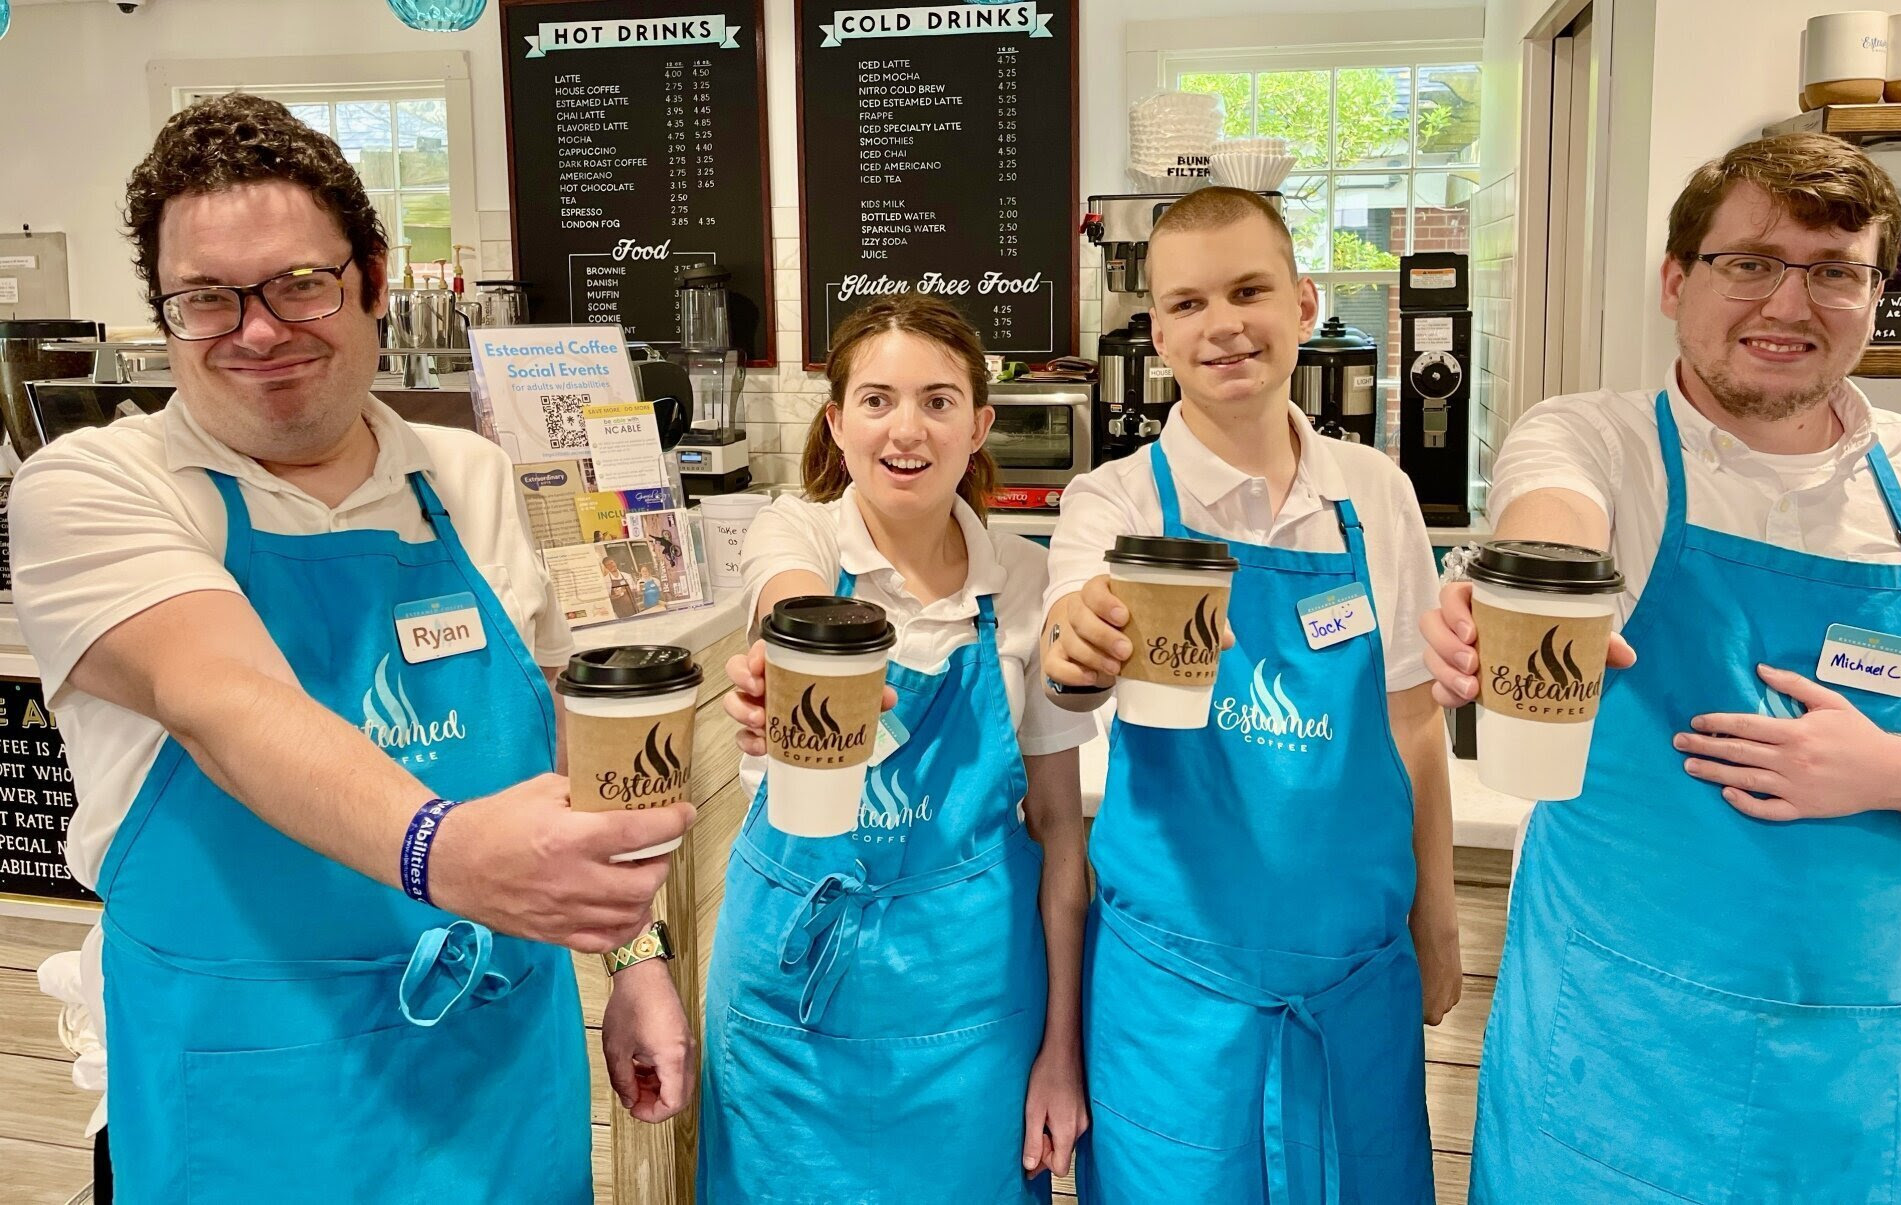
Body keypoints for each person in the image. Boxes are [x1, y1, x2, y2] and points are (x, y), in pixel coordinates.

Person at [10, 94, 695, 1202]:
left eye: (297, 283)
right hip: (252, 1097)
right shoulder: (96, 486)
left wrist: (632, 958)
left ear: (371, 277)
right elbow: (223, 698)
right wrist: (449, 854)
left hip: (497, 1076)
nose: (258, 330)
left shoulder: (471, 477)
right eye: (205, 299)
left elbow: (573, 757)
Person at [1420, 133, 1901, 1202]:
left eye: (1833, 271)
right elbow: (1552, 523)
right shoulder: (1600, 442)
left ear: (1872, 292)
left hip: (1834, 1063)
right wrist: (1520, 595)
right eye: (1749, 263)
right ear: (1675, 282)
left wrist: (1880, 772)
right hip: (1605, 1048)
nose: (1788, 303)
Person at [1042, 186, 1460, 1203]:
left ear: (1304, 303)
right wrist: (1082, 636)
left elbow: (1412, 721)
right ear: (1155, 334)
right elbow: (1066, 636)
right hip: (1171, 997)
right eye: (1187, 303)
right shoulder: (1115, 501)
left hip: (1355, 982)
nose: (1222, 324)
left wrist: (1436, 915)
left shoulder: (1376, 493)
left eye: (1248, 290)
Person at [699, 293, 1094, 1203]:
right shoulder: (793, 531)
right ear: (837, 423)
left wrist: (1060, 1048)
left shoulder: (1028, 582)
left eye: (938, 400)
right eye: (876, 400)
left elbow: (1062, 831)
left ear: (980, 424)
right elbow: (790, 609)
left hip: (974, 1016)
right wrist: (787, 668)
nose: (905, 428)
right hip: (788, 1014)